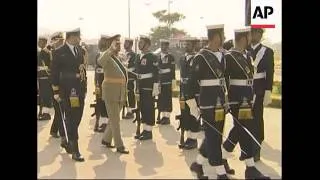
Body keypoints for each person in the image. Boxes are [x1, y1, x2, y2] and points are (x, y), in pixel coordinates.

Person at [222, 27, 270, 179]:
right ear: (243, 38)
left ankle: (222, 157)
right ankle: (250, 168)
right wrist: (226, 100)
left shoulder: (246, 55)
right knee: (244, 130)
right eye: (248, 37)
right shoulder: (229, 57)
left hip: (247, 97)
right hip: (237, 99)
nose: (250, 39)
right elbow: (223, 80)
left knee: (240, 130)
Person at [187, 24, 231, 179]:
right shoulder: (201, 57)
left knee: (215, 136)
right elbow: (191, 84)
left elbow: (224, 80)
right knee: (213, 136)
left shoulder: (222, 55)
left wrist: (227, 99)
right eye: (222, 34)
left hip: (220, 103)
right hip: (208, 103)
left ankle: (197, 165)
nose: (224, 37)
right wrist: (193, 105)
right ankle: (220, 172)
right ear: (215, 36)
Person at [51, 28, 86, 161]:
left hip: (79, 90)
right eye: (78, 36)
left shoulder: (79, 51)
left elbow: (82, 70)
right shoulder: (59, 52)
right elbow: (54, 72)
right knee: (71, 117)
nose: (80, 39)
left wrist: (85, 88)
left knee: (77, 116)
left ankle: (67, 137)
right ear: (71, 37)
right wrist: (55, 91)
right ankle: (75, 150)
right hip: (67, 91)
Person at [98, 34, 129, 154]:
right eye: (116, 42)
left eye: (119, 42)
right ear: (110, 44)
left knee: (114, 118)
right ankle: (119, 145)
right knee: (115, 119)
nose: (119, 44)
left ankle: (106, 139)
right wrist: (110, 49)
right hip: (111, 91)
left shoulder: (118, 57)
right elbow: (100, 62)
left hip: (120, 91)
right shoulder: (106, 55)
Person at [248, 28, 274, 162]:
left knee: (257, 119)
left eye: (257, 33)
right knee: (245, 119)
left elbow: (270, 72)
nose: (254, 35)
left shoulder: (267, 52)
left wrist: (268, 90)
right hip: (245, 89)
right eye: (252, 32)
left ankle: (256, 148)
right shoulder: (244, 50)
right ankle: (246, 148)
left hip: (258, 90)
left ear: (260, 35)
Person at [134, 35, 160, 140]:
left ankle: (148, 131)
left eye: (141, 43)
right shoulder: (138, 56)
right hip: (140, 86)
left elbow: (156, 73)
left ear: (147, 45)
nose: (139, 44)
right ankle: (144, 129)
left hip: (149, 86)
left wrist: (156, 87)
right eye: (139, 43)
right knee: (142, 108)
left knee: (149, 108)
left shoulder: (152, 57)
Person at [178, 37, 201, 150]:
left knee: (194, 115)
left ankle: (194, 139)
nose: (186, 46)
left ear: (193, 45)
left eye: (188, 44)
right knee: (185, 115)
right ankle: (188, 137)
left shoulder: (197, 59)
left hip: (193, 92)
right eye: (185, 44)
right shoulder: (182, 59)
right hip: (183, 92)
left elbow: (196, 77)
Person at [93, 35, 111, 132]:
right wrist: (95, 84)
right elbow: (96, 71)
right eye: (101, 41)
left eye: (104, 41)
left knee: (106, 103)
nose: (102, 43)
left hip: (108, 82)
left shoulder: (110, 55)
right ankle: (102, 122)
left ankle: (106, 123)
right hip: (99, 82)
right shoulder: (98, 55)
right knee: (100, 103)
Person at [49, 32, 65, 138]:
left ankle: (54, 130)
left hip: (62, 85)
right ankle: (59, 132)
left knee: (60, 110)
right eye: (61, 41)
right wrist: (55, 91)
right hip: (56, 86)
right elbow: (54, 74)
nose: (62, 43)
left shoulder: (60, 53)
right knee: (59, 110)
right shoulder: (54, 53)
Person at [156, 39, 176, 125]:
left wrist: (173, 83)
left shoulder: (170, 57)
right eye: (162, 45)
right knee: (161, 99)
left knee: (167, 99)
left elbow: (172, 69)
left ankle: (167, 117)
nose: (163, 47)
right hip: (160, 82)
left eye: (165, 45)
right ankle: (163, 116)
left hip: (168, 82)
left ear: (167, 46)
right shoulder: (157, 57)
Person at [37, 36, 53, 121]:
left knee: (46, 96)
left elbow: (47, 66)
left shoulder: (45, 52)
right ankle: (42, 112)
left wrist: (40, 69)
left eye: (40, 41)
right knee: (42, 96)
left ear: (44, 42)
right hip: (42, 77)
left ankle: (46, 114)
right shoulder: (43, 52)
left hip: (45, 77)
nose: (38, 43)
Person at [123, 38, 137, 119]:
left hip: (130, 78)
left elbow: (135, 67)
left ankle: (131, 111)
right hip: (123, 79)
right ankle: (127, 110)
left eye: (126, 43)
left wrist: (127, 69)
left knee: (130, 94)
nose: (124, 44)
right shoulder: (122, 54)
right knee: (124, 95)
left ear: (131, 45)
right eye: (124, 43)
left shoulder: (134, 55)